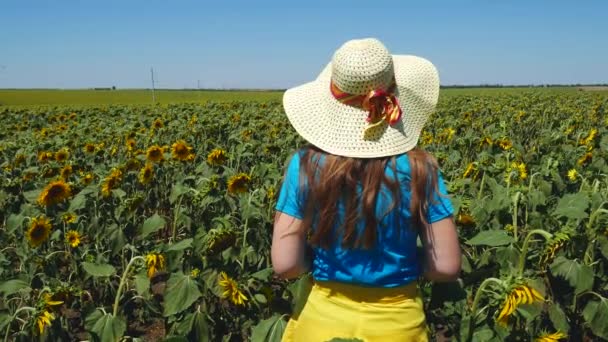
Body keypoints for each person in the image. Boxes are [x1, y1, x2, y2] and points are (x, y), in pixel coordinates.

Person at [271, 38, 461, 342]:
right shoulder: (421, 169)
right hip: (397, 325)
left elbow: (286, 264)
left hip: (320, 322)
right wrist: (402, 262)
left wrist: (320, 258)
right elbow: (447, 266)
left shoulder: (305, 165)